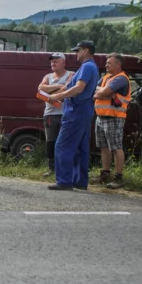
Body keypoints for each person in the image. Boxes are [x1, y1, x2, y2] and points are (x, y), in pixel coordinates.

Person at [48, 41, 100, 191]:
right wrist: (60, 93)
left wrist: (58, 96)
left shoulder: (87, 66)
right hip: (83, 110)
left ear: (86, 51)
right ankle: (80, 181)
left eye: (78, 50)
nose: (76, 53)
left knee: (62, 145)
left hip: (76, 111)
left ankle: (64, 181)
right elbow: (72, 87)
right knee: (80, 147)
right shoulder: (90, 67)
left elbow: (78, 88)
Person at [93, 52, 131, 190]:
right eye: (106, 62)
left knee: (115, 147)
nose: (106, 65)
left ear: (118, 64)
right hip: (101, 116)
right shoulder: (106, 78)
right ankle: (105, 173)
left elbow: (101, 93)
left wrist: (102, 91)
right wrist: (102, 91)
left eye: (109, 63)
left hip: (114, 117)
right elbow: (95, 90)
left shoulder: (121, 79)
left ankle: (119, 177)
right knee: (104, 146)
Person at [37, 52, 73, 175]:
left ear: (64, 62)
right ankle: (52, 168)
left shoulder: (71, 75)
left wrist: (51, 91)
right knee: (50, 141)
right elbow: (40, 88)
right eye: (52, 61)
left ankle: (64, 167)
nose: (53, 63)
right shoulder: (48, 76)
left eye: (56, 61)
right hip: (50, 114)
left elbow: (68, 88)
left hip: (65, 113)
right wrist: (58, 86)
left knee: (64, 141)